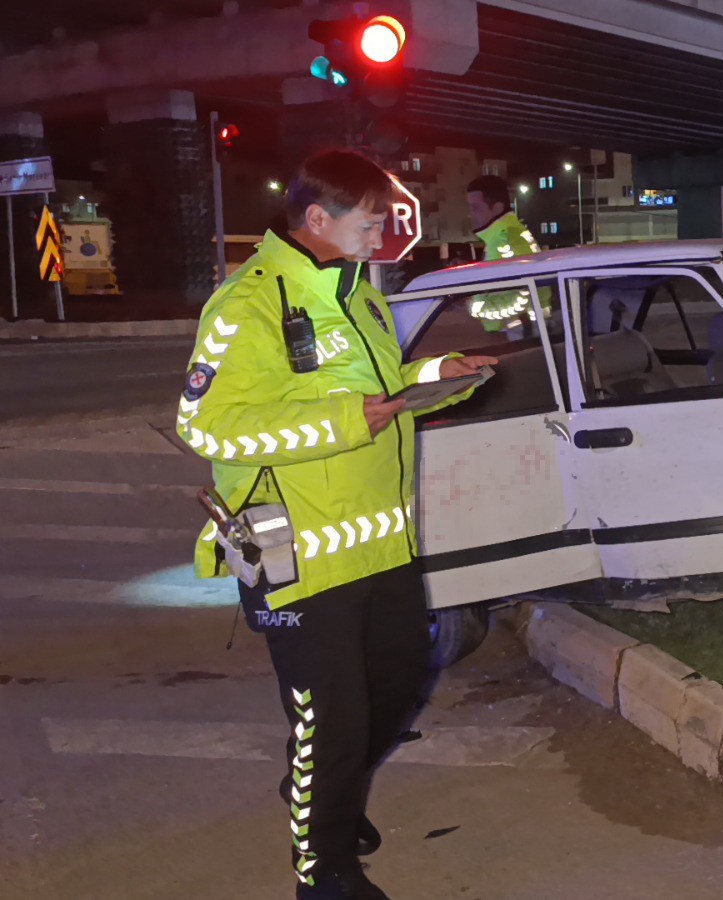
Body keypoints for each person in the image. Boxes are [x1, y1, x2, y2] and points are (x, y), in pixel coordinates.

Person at [175, 149, 497, 899]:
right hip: (299, 553)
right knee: (334, 715)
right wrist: (342, 423)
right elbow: (207, 427)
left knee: (394, 689)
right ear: (317, 219)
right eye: (369, 216)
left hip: (382, 545)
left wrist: (436, 378)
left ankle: (320, 791)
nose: (381, 228)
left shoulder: (361, 294)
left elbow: (381, 391)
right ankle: (324, 871)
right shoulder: (245, 305)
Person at [465, 174, 543, 338]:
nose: (471, 215)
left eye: (476, 208)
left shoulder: (505, 238)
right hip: (521, 330)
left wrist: (477, 306)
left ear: (497, 208)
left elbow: (522, 293)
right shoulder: (506, 234)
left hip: (519, 332)